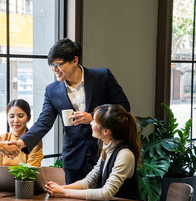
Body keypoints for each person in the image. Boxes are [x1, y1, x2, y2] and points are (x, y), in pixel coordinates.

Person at [14, 38, 130, 184]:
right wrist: (20, 143)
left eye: (58, 65)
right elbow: (44, 122)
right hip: (73, 159)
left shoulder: (102, 77)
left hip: (104, 153)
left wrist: (93, 117)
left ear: (75, 61)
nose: (54, 70)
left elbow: (123, 107)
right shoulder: (51, 90)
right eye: (52, 65)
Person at [45, 104, 149, 201]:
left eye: (95, 121)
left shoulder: (124, 154)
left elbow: (106, 193)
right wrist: (60, 188)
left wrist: (64, 193)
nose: (91, 123)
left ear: (106, 131)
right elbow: (89, 181)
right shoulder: (107, 149)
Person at [0, 99, 44, 167]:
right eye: (11, 117)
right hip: (2, 178)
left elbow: (31, 171)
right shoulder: (2, 138)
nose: (16, 120)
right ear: (7, 118)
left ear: (28, 117)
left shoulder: (34, 141)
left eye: (20, 116)